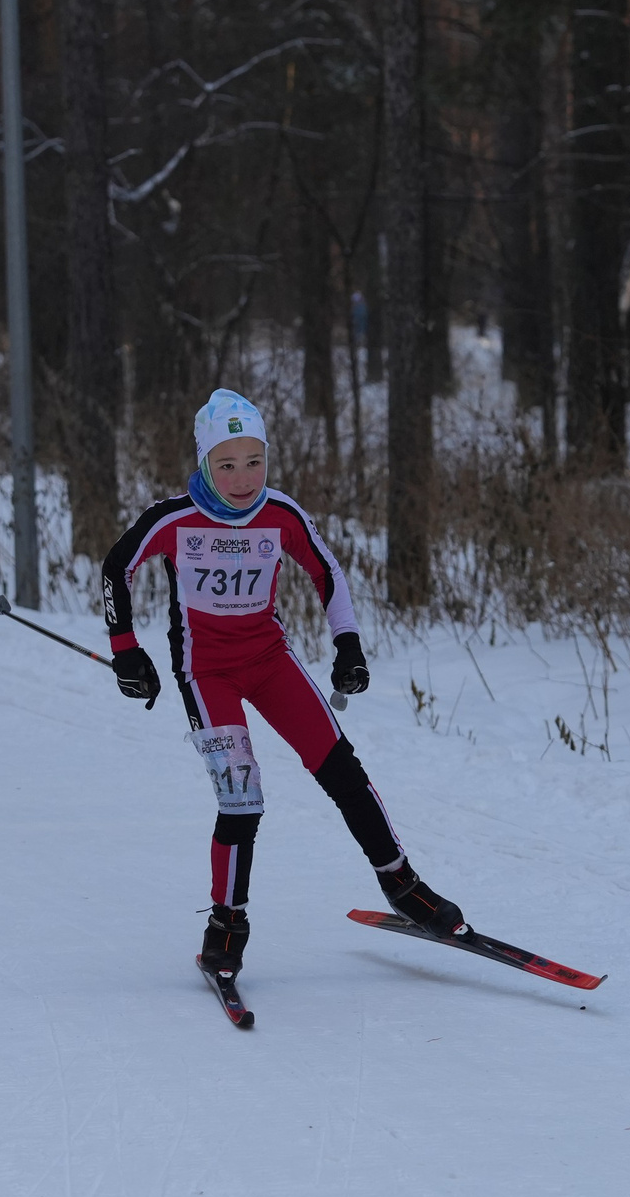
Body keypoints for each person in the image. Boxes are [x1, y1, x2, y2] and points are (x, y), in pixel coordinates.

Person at [102, 389, 466, 995]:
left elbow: (328, 572)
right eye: (226, 464)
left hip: (270, 661)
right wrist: (126, 652)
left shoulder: (280, 514)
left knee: (342, 770)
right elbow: (118, 566)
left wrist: (347, 643)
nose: (243, 479)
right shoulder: (174, 519)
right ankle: (225, 924)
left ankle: (403, 885)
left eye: (254, 461)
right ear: (203, 464)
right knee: (243, 799)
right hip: (206, 671)